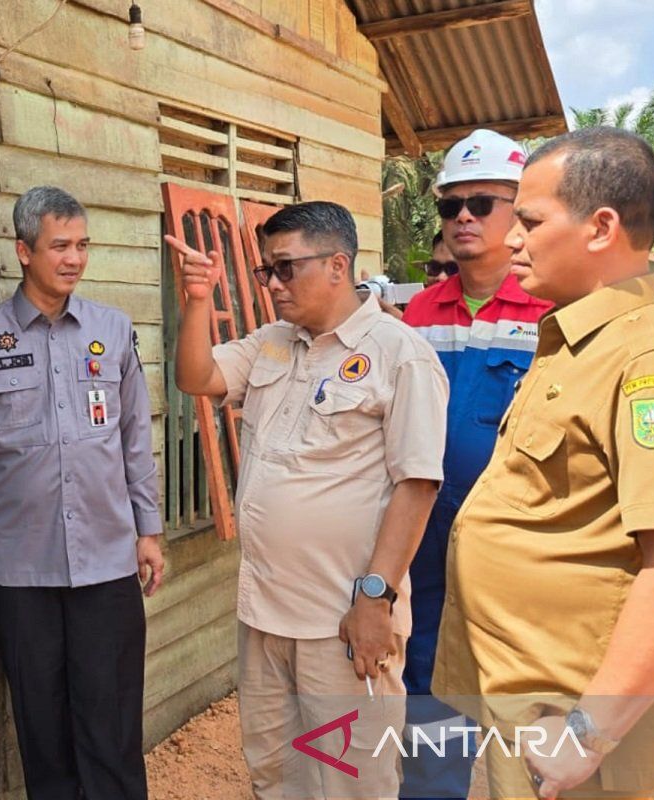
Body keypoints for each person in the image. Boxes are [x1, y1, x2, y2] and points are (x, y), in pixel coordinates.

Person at [433, 127, 654, 799]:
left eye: (529, 220)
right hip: (524, 695)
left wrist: (589, 733)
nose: (513, 239)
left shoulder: (650, 364)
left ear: (601, 227)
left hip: (571, 715)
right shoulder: (574, 342)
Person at [168, 201, 449, 799]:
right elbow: (197, 377)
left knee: (352, 782)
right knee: (276, 771)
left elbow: (417, 485)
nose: (272, 284)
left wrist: (375, 599)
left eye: (285, 268)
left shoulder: (400, 355)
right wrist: (197, 301)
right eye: (268, 270)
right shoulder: (274, 343)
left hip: (342, 621)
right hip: (264, 613)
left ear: (338, 265)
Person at [0, 186, 164, 800]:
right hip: (19, 570)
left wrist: (148, 529)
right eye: (59, 245)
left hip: (107, 560)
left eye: (82, 245)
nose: (74, 258)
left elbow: (133, 439)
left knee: (112, 722)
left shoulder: (113, 331)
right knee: (42, 727)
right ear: (23, 251)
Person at [400, 129, 554, 799]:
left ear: (519, 211)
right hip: (426, 539)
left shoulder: (555, 312)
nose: (462, 217)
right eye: (450, 206)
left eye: (482, 203)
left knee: (527, 705)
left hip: (521, 549)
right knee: (430, 687)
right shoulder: (417, 313)